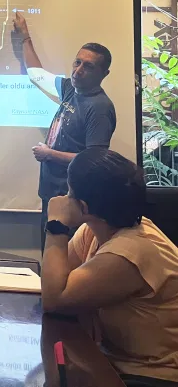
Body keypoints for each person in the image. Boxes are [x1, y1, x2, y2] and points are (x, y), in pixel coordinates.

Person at [41, 148, 178, 384]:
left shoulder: (132, 250)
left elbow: (53, 299)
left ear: (83, 207)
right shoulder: (94, 231)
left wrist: (56, 224)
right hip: (112, 361)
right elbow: (58, 283)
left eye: (68, 191)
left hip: (152, 375)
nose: (64, 198)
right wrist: (83, 307)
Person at [12, 12, 116, 250]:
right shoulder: (71, 88)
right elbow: (37, 75)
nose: (78, 70)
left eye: (88, 66)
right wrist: (25, 37)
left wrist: (50, 154)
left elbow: (95, 160)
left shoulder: (99, 108)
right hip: (53, 194)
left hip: (74, 201)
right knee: (49, 256)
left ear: (103, 74)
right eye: (77, 62)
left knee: (64, 261)